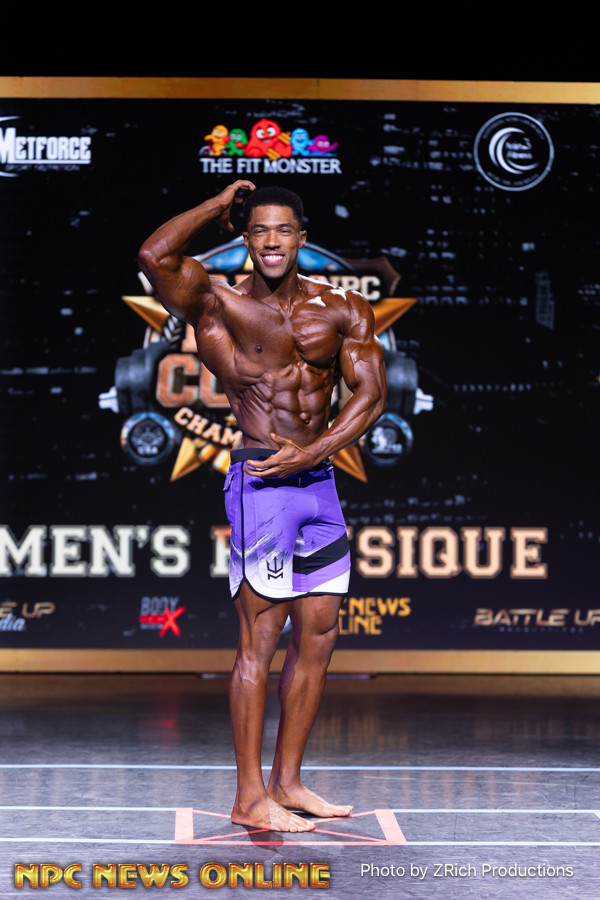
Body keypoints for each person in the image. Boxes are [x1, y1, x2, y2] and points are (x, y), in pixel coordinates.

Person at [138, 180, 387, 832]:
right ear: (245, 238)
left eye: (283, 230)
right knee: (261, 641)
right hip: (263, 485)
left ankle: (288, 782)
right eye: (259, 230)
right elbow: (154, 255)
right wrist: (214, 205)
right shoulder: (215, 302)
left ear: (302, 237)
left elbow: (371, 395)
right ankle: (250, 795)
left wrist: (317, 451)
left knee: (320, 635)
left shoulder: (342, 309)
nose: (272, 241)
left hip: (318, 484)